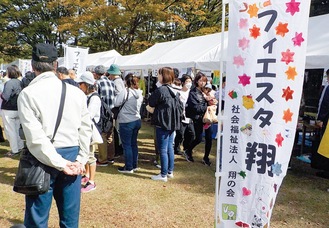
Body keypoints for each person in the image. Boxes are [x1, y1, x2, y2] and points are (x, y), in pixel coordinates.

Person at [17, 43, 92, 227]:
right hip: (72, 156)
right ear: (56, 64)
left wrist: (65, 163)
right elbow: (85, 130)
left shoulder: (28, 94)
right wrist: (81, 160)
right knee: (70, 220)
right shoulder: (77, 93)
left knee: (37, 219)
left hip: (43, 157)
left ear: (33, 65)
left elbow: (35, 138)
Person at [148, 67, 182, 182]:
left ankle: (163, 174)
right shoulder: (175, 90)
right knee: (169, 148)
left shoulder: (161, 90)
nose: (158, 76)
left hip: (162, 122)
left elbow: (151, 102)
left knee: (163, 149)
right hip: (172, 123)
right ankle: (169, 171)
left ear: (164, 76)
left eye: (159, 74)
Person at [76, 71, 102, 192]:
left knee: (91, 155)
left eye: (81, 84)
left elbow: (89, 115)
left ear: (86, 84)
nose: (79, 86)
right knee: (85, 153)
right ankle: (86, 175)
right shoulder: (87, 96)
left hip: (91, 130)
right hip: (86, 129)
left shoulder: (95, 98)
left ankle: (92, 181)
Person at [116, 74, 143, 173]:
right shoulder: (139, 93)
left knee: (126, 145)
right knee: (133, 144)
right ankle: (134, 165)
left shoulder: (125, 91)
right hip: (136, 119)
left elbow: (116, 103)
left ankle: (128, 167)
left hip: (126, 120)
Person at [93, 65, 115, 166]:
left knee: (102, 135)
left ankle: (103, 159)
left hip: (103, 112)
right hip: (112, 111)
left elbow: (96, 98)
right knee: (110, 135)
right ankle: (111, 157)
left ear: (96, 74)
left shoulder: (97, 83)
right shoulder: (111, 82)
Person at [184, 72, 208, 163]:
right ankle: (188, 150)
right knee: (198, 137)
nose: (202, 83)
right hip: (196, 118)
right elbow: (195, 107)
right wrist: (206, 105)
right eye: (200, 80)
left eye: (204, 81)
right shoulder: (193, 92)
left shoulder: (204, 91)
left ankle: (188, 150)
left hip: (204, 118)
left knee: (200, 137)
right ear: (196, 81)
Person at [1, 65, 24, 156]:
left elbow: (5, 96)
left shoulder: (9, 83)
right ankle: (20, 146)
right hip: (18, 108)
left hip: (9, 109)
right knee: (17, 129)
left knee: (10, 130)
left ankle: (14, 150)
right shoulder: (20, 82)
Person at [174, 74, 195, 155]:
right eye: (187, 81)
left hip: (189, 117)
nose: (189, 83)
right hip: (181, 116)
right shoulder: (179, 92)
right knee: (180, 134)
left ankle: (187, 147)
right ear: (183, 82)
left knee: (191, 134)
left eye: (190, 81)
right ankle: (177, 148)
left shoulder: (191, 92)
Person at [107, 64, 125, 158]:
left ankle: (118, 150)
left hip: (117, 108)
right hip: (120, 109)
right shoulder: (120, 81)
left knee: (116, 130)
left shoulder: (116, 82)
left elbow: (119, 94)